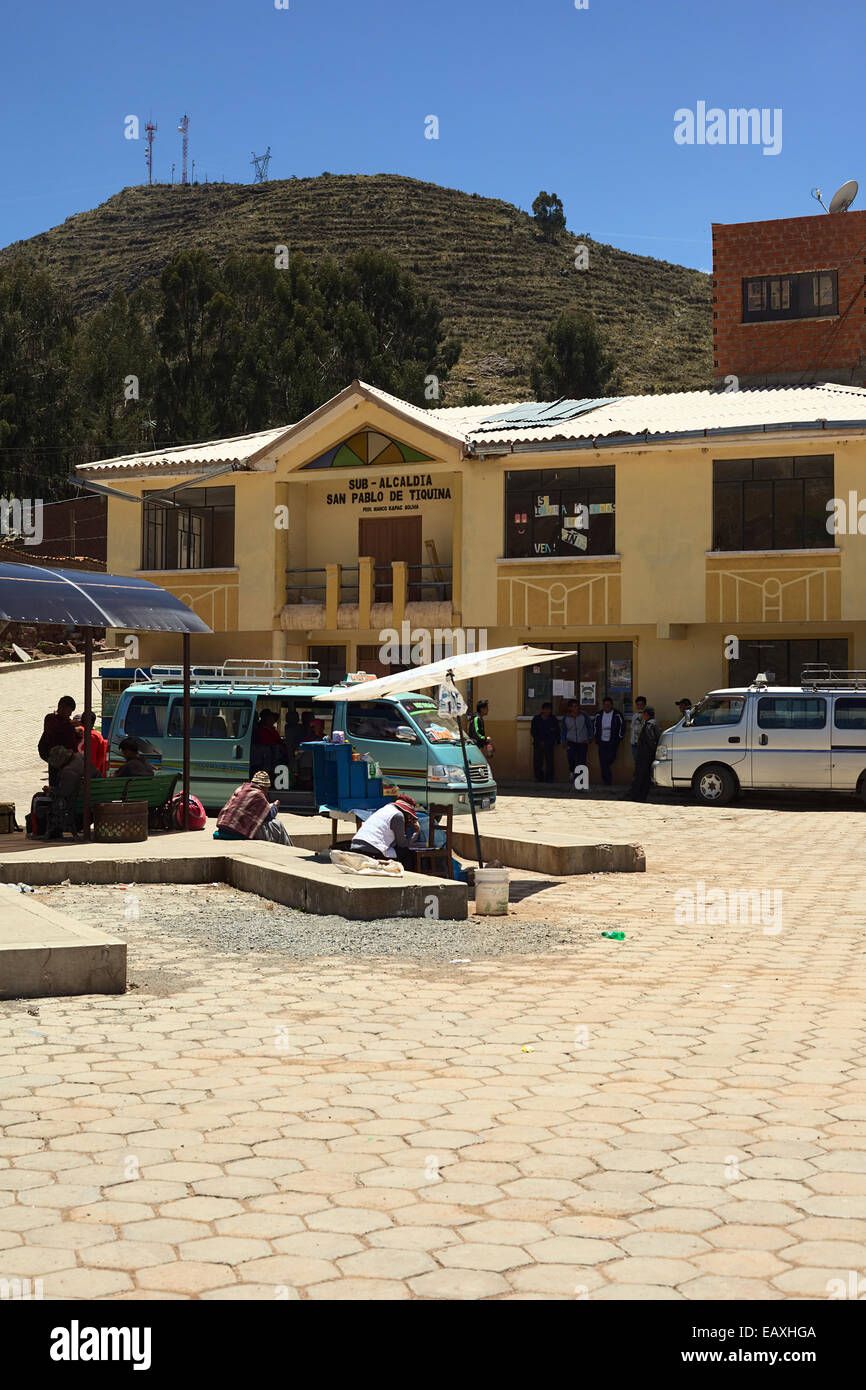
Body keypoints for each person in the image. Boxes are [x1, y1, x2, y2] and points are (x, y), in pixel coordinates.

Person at [215, 769, 293, 845]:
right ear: (264, 787)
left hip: (223, 827)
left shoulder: (240, 788)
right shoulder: (258, 794)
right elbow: (269, 815)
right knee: (276, 823)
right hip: (236, 831)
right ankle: (289, 848)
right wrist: (275, 805)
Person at [349, 796, 421, 868]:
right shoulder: (398, 815)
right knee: (406, 853)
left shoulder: (384, 809)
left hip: (355, 844)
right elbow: (402, 844)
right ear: (405, 811)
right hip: (372, 848)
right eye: (409, 816)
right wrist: (416, 833)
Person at [42, 746, 84, 839]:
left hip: (74, 804)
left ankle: (44, 831)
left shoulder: (68, 771)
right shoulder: (80, 757)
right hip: (92, 798)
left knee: (40, 798)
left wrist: (50, 790)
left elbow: (64, 792)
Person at [38, 696, 78, 786]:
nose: (70, 715)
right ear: (61, 707)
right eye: (69, 711)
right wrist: (69, 725)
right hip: (56, 760)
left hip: (69, 761)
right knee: (55, 784)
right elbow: (55, 730)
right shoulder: (50, 719)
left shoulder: (67, 722)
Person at [629, 706, 661, 801]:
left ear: (646, 714)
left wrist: (650, 752)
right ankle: (641, 796)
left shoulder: (649, 725)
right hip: (648, 756)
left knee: (640, 777)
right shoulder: (654, 723)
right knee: (645, 777)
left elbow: (650, 740)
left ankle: (637, 796)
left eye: (643, 713)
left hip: (645, 756)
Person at [593, 696, 625, 786]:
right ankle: (606, 781)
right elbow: (595, 726)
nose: (607, 706)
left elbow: (622, 727)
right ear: (603, 705)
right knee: (603, 762)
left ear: (612, 705)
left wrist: (619, 738)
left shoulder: (617, 714)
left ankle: (607, 777)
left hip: (613, 741)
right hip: (602, 741)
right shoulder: (599, 715)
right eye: (605, 705)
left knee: (610, 759)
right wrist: (597, 738)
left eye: (608, 705)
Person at [561, 699, 592, 781]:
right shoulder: (566, 718)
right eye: (573, 707)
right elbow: (563, 730)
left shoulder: (584, 715)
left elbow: (589, 726)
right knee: (571, 758)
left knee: (582, 761)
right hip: (571, 741)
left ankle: (581, 780)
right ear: (570, 708)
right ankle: (572, 771)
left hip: (582, 741)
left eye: (577, 706)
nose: (575, 708)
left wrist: (590, 737)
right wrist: (563, 741)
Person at [530, 702, 560, 782]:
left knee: (549, 761)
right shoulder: (536, 719)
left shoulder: (553, 719)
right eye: (546, 709)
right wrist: (539, 740)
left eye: (549, 710)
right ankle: (538, 777)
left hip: (549, 743)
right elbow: (533, 731)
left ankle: (549, 778)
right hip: (538, 743)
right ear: (542, 710)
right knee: (537, 761)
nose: (547, 711)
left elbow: (556, 731)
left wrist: (555, 740)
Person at [74, 711, 109, 778]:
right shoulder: (97, 736)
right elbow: (98, 757)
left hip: (79, 771)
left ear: (81, 721)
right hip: (92, 772)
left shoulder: (76, 732)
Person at [630, 695, 647, 764]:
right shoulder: (634, 716)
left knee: (643, 762)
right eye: (638, 705)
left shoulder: (648, 715)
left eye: (641, 705)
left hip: (643, 743)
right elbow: (632, 728)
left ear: (645, 705)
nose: (640, 706)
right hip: (635, 743)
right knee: (637, 762)